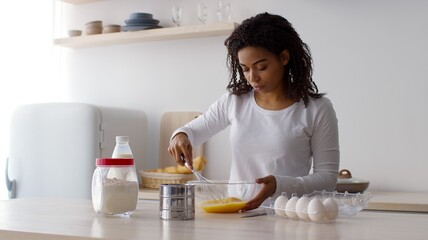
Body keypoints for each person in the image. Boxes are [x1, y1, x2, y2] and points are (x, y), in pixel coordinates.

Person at [168, 12, 339, 211]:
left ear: (284, 57)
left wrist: (280, 185)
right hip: (236, 215)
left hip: (287, 217)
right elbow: (192, 131)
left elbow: (327, 180)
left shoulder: (317, 109)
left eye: (261, 67)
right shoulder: (235, 101)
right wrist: (180, 135)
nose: (252, 78)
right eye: (245, 69)